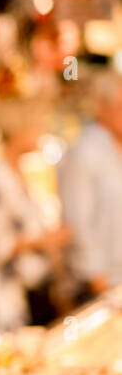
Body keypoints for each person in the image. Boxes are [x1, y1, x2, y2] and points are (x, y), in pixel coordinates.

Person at [0, 104, 68, 331]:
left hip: (23, 297)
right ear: (17, 131)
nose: (41, 133)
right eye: (35, 126)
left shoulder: (20, 174)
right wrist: (40, 241)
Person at [56, 69, 122, 299]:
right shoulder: (83, 153)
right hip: (99, 287)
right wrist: (97, 278)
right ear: (103, 107)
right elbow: (76, 221)